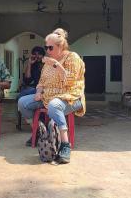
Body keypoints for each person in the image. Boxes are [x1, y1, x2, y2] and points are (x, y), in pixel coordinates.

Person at [17, 28, 86, 164]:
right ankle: (38, 131)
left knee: (54, 105)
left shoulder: (73, 57)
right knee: (22, 102)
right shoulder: (48, 61)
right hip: (47, 96)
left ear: (60, 47)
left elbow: (70, 82)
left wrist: (57, 66)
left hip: (70, 96)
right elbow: (41, 82)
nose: (47, 51)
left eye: (50, 47)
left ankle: (65, 145)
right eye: (46, 47)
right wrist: (38, 92)